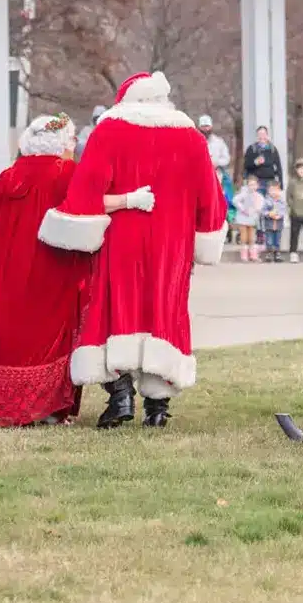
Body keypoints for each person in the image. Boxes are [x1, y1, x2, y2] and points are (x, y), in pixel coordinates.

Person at [40, 72, 227, 429]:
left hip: (121, 238)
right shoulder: (190, 135)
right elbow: (210, 193)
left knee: (115, 309)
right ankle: (157, 406)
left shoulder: (110, 130)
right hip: (173, 242)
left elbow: (87, 189)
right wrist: (206, 233)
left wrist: (72, 221)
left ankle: (120, 394)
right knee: (165, 311)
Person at [0, 114, 93, 427]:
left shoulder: (8, 177)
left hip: (5, 273)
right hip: (50, 267)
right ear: (62, 144)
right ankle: (46, 407)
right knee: (46, 330)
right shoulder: (67, 174)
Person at [232, 175, 265, 262]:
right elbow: (235, 200)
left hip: (253, 218)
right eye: (250, 184)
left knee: (252, 237)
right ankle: (244, 254)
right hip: (243, 218)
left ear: (257, 185)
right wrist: (243, 208)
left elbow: (261, 205)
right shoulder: (244, 193)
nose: (252, 187)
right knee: (244, 236)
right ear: (247, 185)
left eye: (254, 184)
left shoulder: (259, 196)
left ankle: (253, 254)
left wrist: (257, 209)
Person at [287, 157, 303, 262]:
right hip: (296, 212)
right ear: (296, 170)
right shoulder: (293, 182)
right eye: (299, 169)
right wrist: (292, 207)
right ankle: (293, 252)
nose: (301, 171)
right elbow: (289, 197)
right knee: (294, 233)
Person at [262, 179, 287, 262]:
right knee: (269, 239)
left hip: (278, 224)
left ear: (279, 190)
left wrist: (279, 215)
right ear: (268, 191)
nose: (274, 192)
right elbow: (263, 211)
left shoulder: (281, 201)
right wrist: (269, 214)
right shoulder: (266, 201)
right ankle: (269, 253)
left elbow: (284, 210)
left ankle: (277, 253)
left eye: (276, 190)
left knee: (277, 239)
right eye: (272, 190)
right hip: (269, 224)